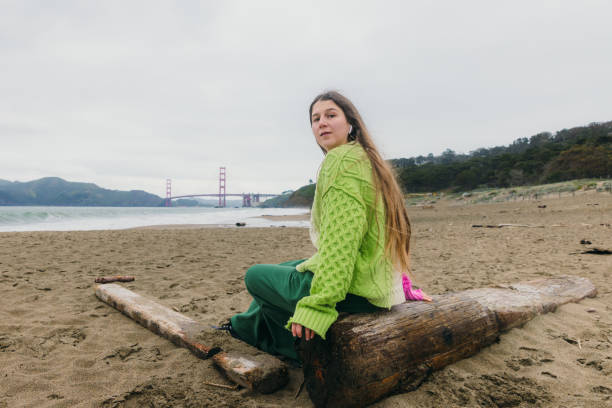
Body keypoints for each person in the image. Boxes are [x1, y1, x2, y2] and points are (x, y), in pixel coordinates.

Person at [225, 90, 431, 362]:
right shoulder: (366, 160)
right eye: (315, 118)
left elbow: (341, 242)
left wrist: (318, 305)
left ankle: (292, 349)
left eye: (331, 115)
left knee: (255, 276)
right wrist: (401, 284)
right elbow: (381, 232)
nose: (321, 122)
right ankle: (243, 327)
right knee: (291, 266)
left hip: (357, 292)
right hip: (377, 285)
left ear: (350, 124)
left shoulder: (341, 163)